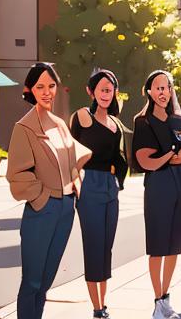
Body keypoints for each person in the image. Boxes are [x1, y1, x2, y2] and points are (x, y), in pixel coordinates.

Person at [6, 62, 91, 319]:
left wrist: (75, 187)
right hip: (42, 210)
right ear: (29, 90)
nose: (46, 92)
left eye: (51, 86)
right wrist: (43, 197)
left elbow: (75, 159)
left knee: (45, 282)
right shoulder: (24, 128)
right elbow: (17, 175)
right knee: (31, 281)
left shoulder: (60, 124)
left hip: (66, 209)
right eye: (40, 86)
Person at [132, 70, 181, 319]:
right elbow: (144, 160)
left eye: (167, 87)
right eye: (158, 87)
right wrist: (170, 156)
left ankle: (165, 296)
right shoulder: (144, 122)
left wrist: (175, 156)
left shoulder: (179, 120)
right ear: (149, 91)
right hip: (159, 185)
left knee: (174, 245)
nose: (163, 92)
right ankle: (158, 300)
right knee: (158, 246)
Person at [70, 70, 129, 319]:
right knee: (93, 245)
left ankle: (103, 304)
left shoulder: (115, 124)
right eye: (102, 89)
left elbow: (119, 158)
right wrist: (74, 182)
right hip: (88, 183)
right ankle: (97, 308)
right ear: (91, 91)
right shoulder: (82, 116)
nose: (106, 94)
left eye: (110, 89)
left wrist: (119, 180)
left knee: (106, 247)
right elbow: (69, 151)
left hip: (109, 186)